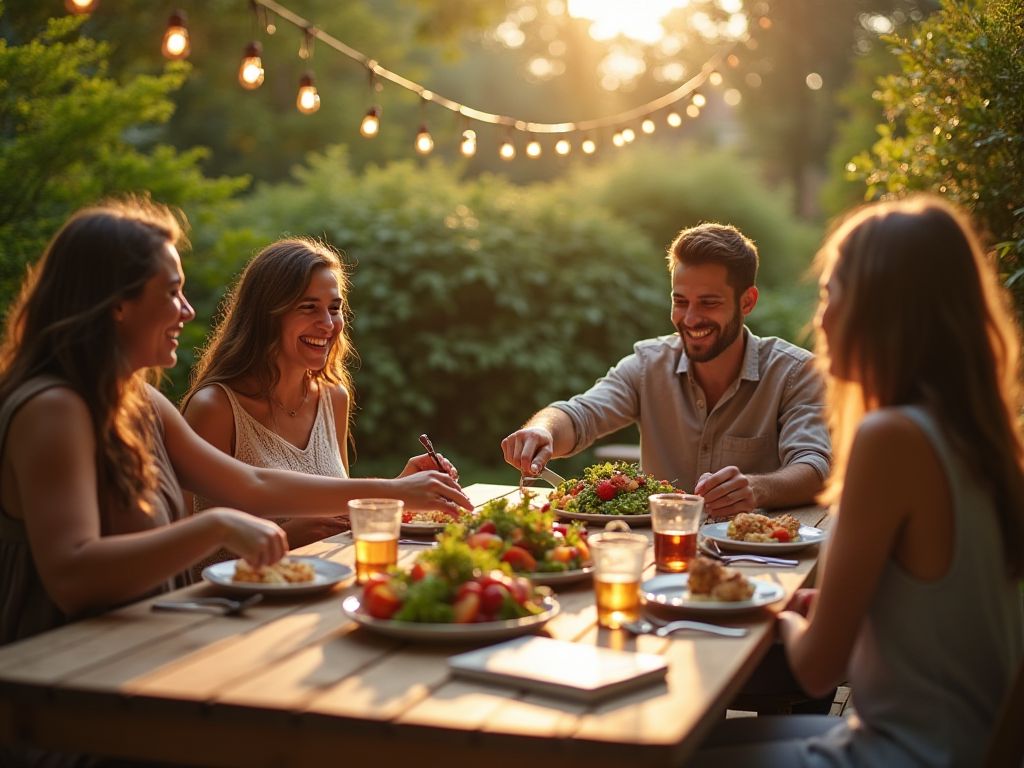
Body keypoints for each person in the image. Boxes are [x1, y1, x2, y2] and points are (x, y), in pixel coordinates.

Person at [0, 198, 471, 647]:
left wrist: (395, 492)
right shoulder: (54, 408)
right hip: (61, 668)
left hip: (143, 643)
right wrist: (216, 527)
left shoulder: (141, 402)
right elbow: (72, 579)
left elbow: (252, 483)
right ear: (116, 304)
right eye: (172, 292)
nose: (187, 310)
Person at [689, 196, 1024, 766]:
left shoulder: (891, 438)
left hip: (900, 753)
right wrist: (831, 606)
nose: (820, 321)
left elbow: (816, 669)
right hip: (959, 744)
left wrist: (776, 609)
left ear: (885, 308)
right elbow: (935, 610)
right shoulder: (974, 436)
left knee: (664, 754)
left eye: (830, 294)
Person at [502, 223, 830, 517]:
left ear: (747, 302)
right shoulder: (648, 365)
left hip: (756, 554)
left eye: (709, 303)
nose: (690, 318)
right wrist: (543, 431)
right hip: (659, 548)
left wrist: (757, 488)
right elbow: (581, 414)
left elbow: (816, 467)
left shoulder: (795, 373)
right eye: (681, 301)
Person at [181, 238, 454, 550]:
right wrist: (285, 539)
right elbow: (184, 551)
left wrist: (401, 490)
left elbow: (338, 514)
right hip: (247, 585)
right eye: (308, 307)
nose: (327, 324)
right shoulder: (216, 408)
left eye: (334, 308)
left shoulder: (333, 397)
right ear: (266, 315)